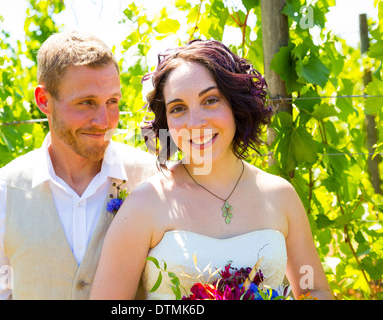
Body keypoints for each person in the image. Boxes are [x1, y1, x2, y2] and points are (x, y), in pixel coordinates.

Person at [90, 39, 333, 300]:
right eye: (179, 108)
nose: (195, 122)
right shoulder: (145, 204)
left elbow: (312, 288)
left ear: (235, 103)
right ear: (167, 122)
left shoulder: (280, 196)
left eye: (210, 100)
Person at [0, 30, 158, 300]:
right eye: (86, 103)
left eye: (112, 102)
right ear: (44, 101)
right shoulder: (0, 193)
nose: (104, 121)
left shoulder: (153, 178)